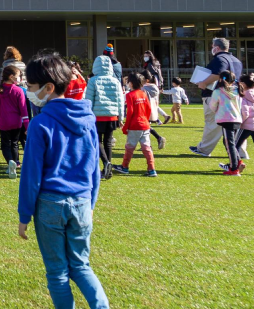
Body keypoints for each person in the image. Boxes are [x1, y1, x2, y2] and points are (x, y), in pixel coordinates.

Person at [17, 52, 109, 309]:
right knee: (81, 266)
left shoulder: (40, 123)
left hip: (50, 204)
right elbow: (94, 169)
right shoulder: (88, 119)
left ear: (48, 88)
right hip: (81, 202)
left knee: (57, 272)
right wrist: (90, 203)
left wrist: (24, 215)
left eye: (31, 87)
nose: (28, 91)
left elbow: (31, 176)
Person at [190, 37, 243, 157]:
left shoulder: (219, 59)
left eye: (212, 46)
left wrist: (203, 82)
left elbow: (218, 73)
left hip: (216, 95)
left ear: (217, 47)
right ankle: (240, 151)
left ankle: (204, 149)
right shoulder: (236, 60)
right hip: (234, 95)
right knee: (235, 124)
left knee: (212, 122)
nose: (212, 48)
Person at [82, 55, 124, 180]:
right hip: (112, 116)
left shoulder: (93, 81)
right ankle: (108, 169)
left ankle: (106, 162)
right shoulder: (115, 81)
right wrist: (120, 117)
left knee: (97, 140)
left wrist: (87, 115)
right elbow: (120, 101)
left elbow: (89, 99)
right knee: (108, 141)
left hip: (97, 116)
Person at [112, 73, 158, 177]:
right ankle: (151, 169)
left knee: (129, 147)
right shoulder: (143, 94)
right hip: (145, 125)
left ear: (131, 83)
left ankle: (124, 167)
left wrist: (125, 126)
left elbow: (130, 112)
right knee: (147, 148)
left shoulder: (130, 95)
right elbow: (148, 109)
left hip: (135, 125)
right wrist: (145, 120)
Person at [206, 70, 244, 175]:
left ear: (221, 79)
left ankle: (233, 168)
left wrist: (217, 110)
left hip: (226, 119)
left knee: (229, 144)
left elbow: (213, 106)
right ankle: (238, 161)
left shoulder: (218, 91)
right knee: (230, 143)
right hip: (237, 119)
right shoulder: (238, 90)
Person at [141, 71, 167, 149]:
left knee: (144, 128)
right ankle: (153, 141)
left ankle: (150, 143)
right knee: (146, 127)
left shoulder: (144, 88)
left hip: (145, 110)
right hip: (152, 111)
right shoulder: (155, 87)